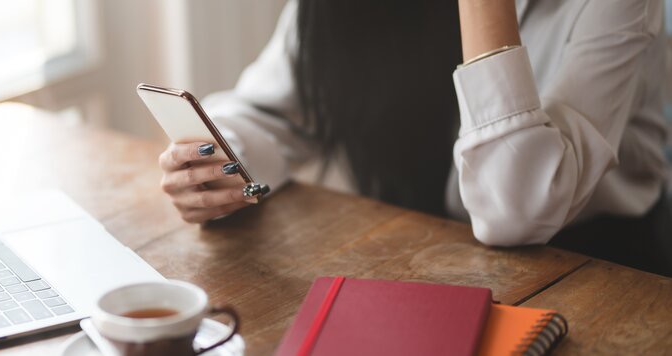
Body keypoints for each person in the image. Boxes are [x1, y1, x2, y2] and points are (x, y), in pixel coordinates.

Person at [158, 0, 671, 275]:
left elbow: (515, 209)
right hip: (404, 262)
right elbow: (269, 113)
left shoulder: (617, 4)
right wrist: (224, 167)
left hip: (598, 268)